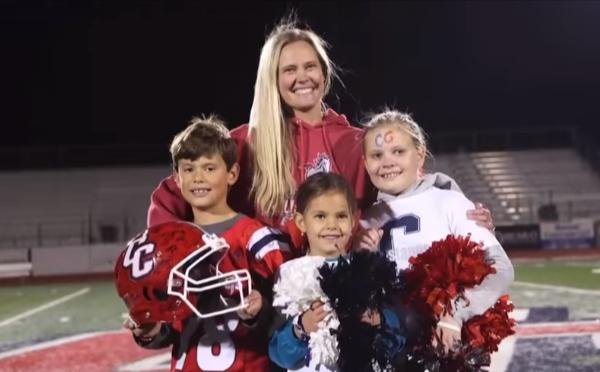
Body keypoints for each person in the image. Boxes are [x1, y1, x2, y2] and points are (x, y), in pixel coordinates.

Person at [147, 19, 494, 250]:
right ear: (274, 79)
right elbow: (174, 194)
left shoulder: (358, 142)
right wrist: (169, 253)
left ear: (324, 74)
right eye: (289, 70)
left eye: (310, 66)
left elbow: (409, 188)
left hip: (343, 286)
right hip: (267, 297)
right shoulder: (245, 142)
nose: (302, 77)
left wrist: (463, 217)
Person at [126, 115, 290, 372]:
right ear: (177, 179)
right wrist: (150, 328)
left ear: (232, 173)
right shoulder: (169, 246)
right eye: (189, 169)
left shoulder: (258, 239)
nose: (198, 177)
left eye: (209, 168)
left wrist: (259, 312)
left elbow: (287, 315)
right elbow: (169, 328)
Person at [356, 109, 514, 354]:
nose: (387, 162)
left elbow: (501, 268)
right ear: (365, 163)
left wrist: (455, 314)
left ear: (419, 155)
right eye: (377, 155)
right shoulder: (364, 221)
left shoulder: (451, 201)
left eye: (398, 151)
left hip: (444, 347)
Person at [268, 172, 403, 371]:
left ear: (354, 220)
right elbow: (278, 353)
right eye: (320, 216)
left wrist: (379, 320)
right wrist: (301, 328)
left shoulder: (369, 269)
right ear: (301, 222)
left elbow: (397, 339)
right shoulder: (288, 275)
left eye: (340, 216)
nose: (331, 225)